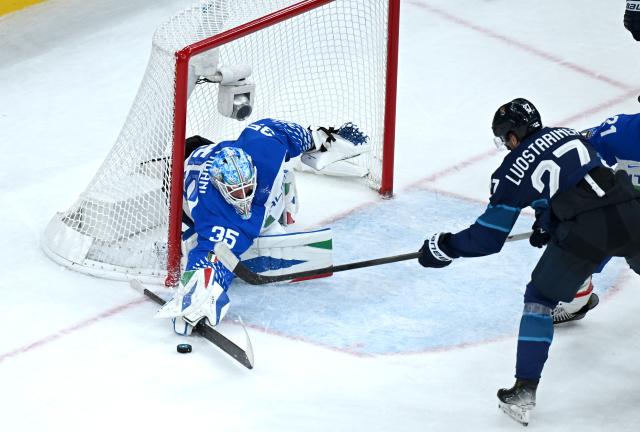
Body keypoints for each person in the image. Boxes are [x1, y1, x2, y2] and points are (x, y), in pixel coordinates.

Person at [417, 98, 640, 425]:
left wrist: (444, 247)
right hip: (632, 209)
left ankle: (524, 390)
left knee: (540, 299)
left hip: (588, 231)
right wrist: (547, 221)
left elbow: (488, 238)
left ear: (511, 136)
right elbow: (576, 180)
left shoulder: (512, 169)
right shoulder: (568, 134)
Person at [154, 118, 369, 335]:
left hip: (203, 147)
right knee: (228, 234)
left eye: (248, 188)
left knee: (280, 176)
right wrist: (195, 297)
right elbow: (209, 258)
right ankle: (203, 233)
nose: (244, 197)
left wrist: (319, 139)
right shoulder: (217, 215)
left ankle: (270, 214)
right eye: (237, 193)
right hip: (176, 179)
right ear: (221, 187)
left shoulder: (262, 149)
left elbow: (282, 132)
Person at [543, 113, 640, 324]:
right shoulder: (620, 129)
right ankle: (577, 297)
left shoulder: (621, 129)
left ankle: (577, 297)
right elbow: (579, 147)